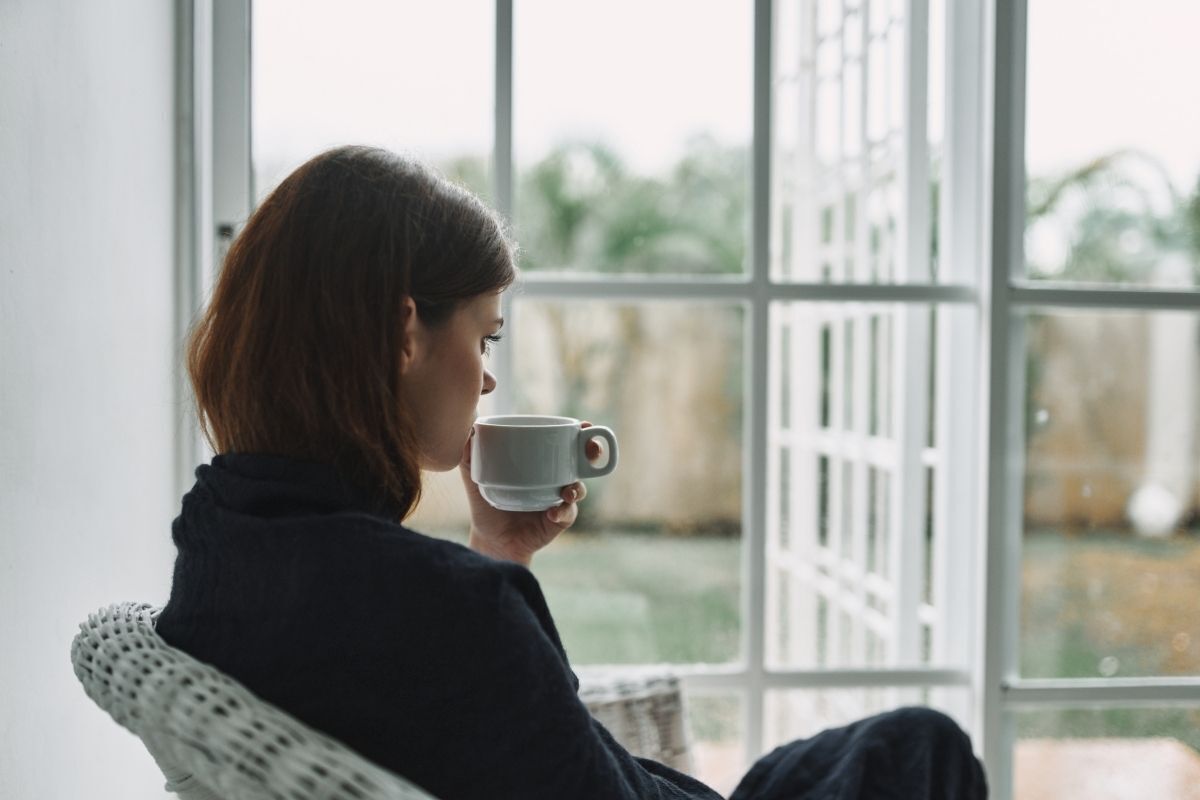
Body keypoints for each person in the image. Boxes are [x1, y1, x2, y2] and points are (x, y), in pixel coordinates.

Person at [156, 145, 987, 799]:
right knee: (922, 747)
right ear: (400, 333)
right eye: (485, 336)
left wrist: (498, 550)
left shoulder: (220, 536)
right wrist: (492, 588)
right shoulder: (451, 607)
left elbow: (455, 714)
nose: (486, 377)